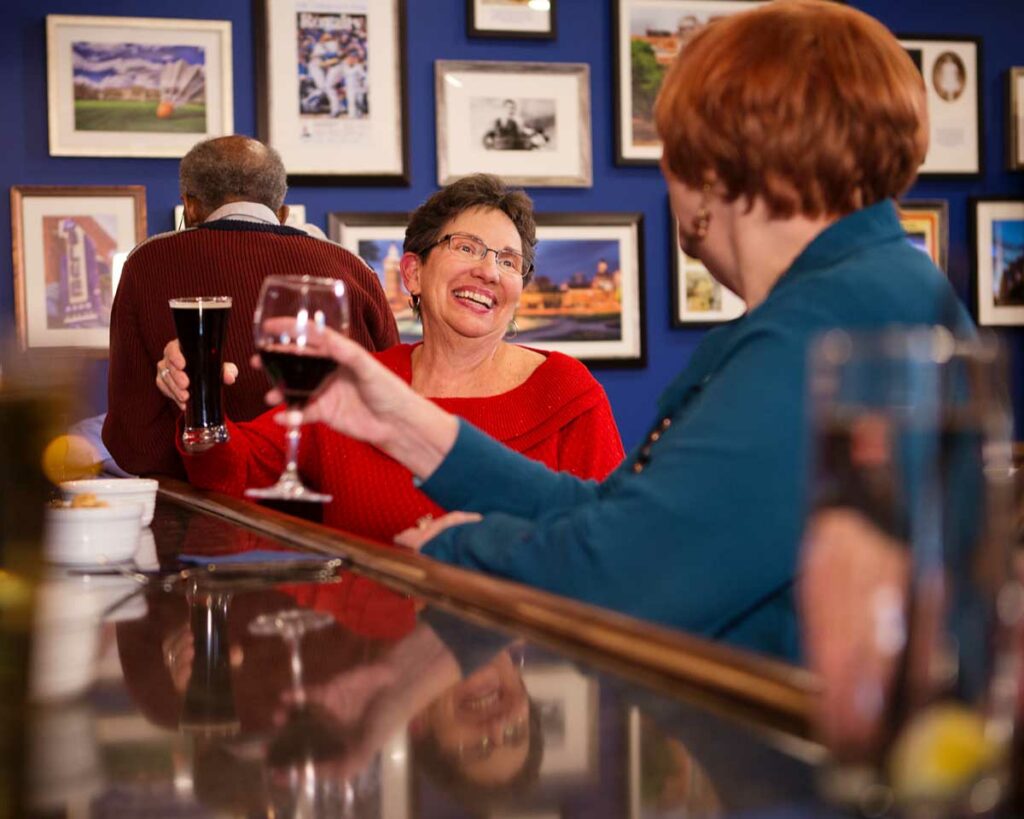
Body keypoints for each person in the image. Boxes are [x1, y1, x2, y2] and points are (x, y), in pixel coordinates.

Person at [270, 0, 974, 661]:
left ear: (716, 168)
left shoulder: (834, 315)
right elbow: (621, 512)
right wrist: (402, 422)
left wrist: (465, 545)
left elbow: (632, 572)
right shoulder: (866, 288)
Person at [162, 174, 624, 541]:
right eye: (466, 248)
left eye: (508, 260)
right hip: (363, 652)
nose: (488, 271)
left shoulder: (566, 391)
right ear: (413, 273)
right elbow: (229, 471)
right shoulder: (365, 381)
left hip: (508, 653)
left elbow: (610, 542)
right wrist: (198, 392)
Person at [102, 135, 399, 479]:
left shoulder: (148, 264)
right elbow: (395, 395)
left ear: (190, 207)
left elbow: (133, 440)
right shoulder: (350, 267)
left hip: (204, 499)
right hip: (338, 494)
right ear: (283, 213)